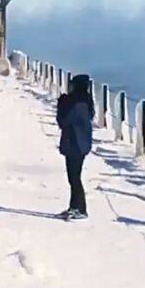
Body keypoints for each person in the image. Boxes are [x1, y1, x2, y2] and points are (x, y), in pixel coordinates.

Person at [56, 74, 94, 220]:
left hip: (76, 144)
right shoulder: (85, 101)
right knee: (73, 177)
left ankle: (82, 209)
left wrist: (62, 104)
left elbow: (63, 121)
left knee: (74, 178)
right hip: (78, 143)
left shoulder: (77, 104)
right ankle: (74, 207)